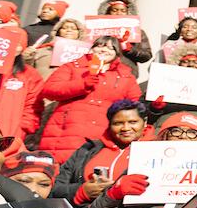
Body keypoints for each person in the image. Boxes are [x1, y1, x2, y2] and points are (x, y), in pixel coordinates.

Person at [39, 35, 142, 164]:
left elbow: (135, 103)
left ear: (117, 54)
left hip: (101, 133)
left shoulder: (125, 75)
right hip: (67, 131)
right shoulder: (73, 67)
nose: (104, 50)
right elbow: (49, 90)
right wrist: (81, 85)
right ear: (91, 49)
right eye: (100, 46)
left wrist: (154, 107)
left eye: (111, 48)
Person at [52, 99, 148, 203]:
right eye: (118, 123)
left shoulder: (156, 150)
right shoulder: (87, 150)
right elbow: (56, 187)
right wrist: (81, 192)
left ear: (145, 122)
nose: (125, 128)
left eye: (133, 122)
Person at [98, 0, 153, 76]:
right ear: (108, 12)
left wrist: (129, 49)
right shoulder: (97, 30)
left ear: (128, 13)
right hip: (101, 71)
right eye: (115, 10)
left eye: (123, 11)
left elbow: (146, 56)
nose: (118, 13)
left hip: (126, 74)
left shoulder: (137, 32)